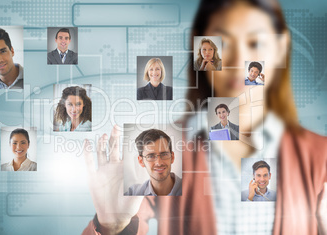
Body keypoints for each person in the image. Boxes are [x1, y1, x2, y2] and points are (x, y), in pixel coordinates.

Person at [82, 0, 327, 234]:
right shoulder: (164, 144)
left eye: (255, 43)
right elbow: (128, 216)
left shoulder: (320, 155)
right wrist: (112, 227)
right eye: (224, 43)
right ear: (200, 48)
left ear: (280, 48)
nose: (236, 61)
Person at [125, 129, 182, 196]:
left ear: (172, 157)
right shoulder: (133, 193)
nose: (159, 163)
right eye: (151, 156)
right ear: (141, 161)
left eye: (164, 154)